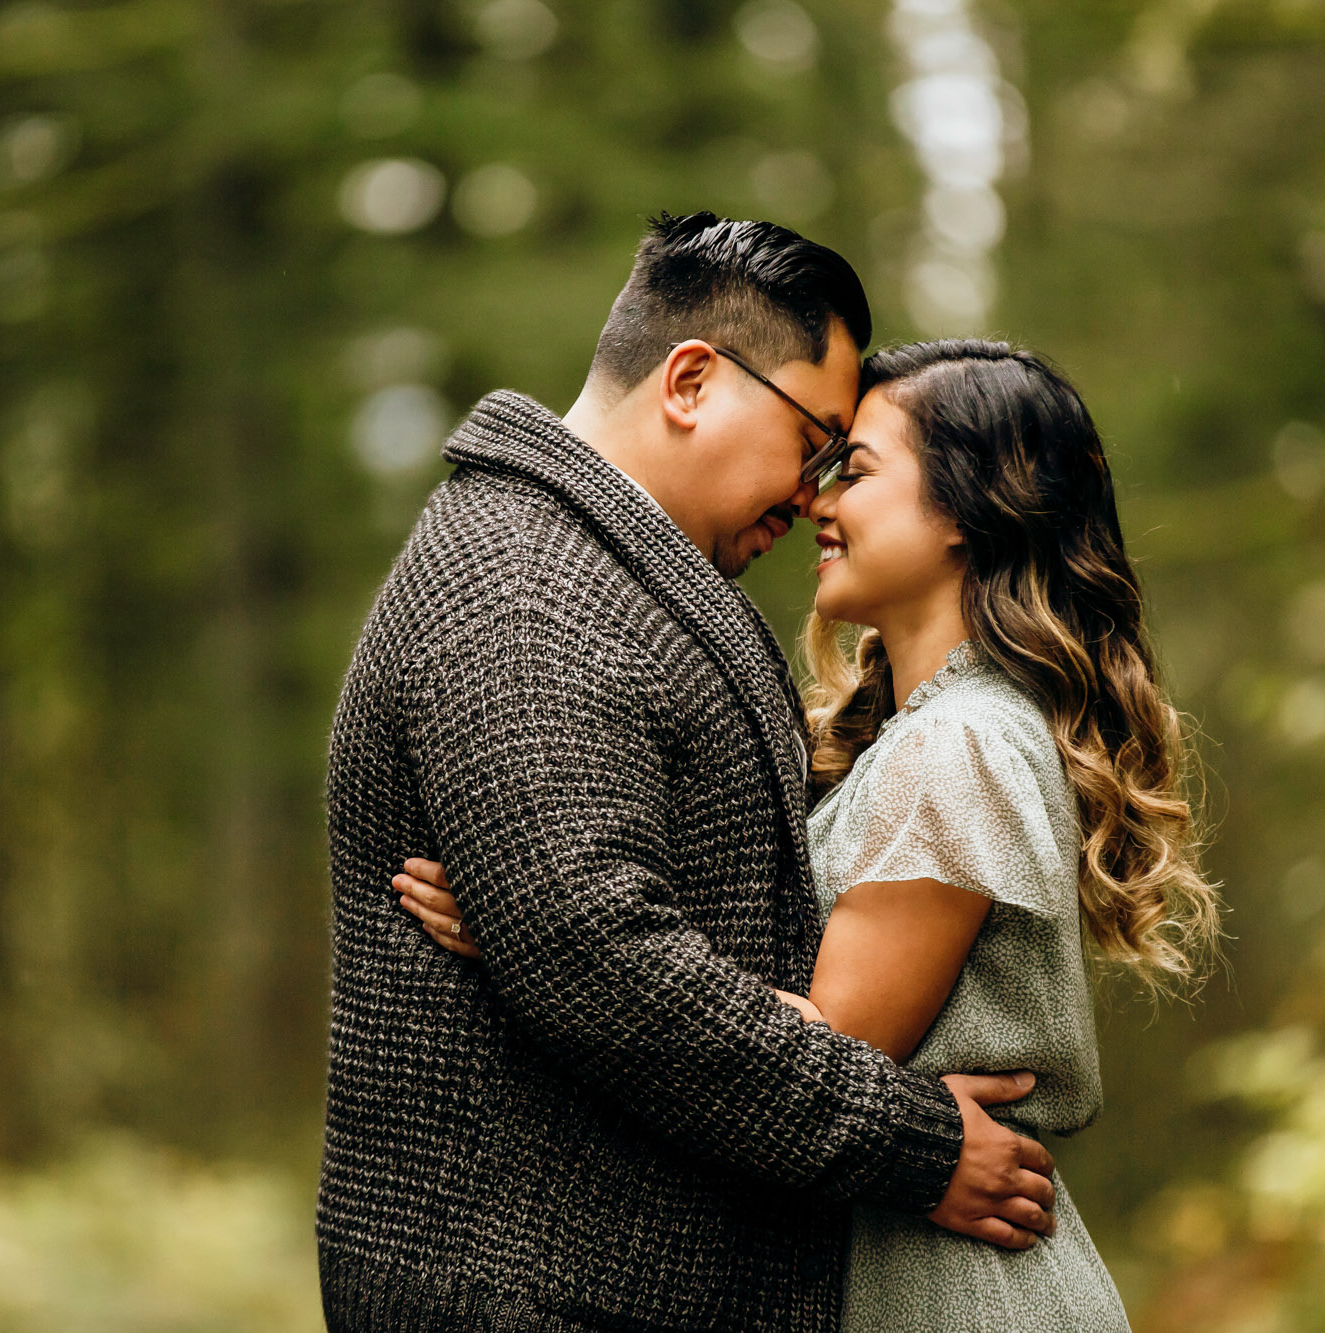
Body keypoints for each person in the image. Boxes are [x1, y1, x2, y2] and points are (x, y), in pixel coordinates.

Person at [319, 213, 1060, 1333]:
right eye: (814, 439)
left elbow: (597, 944)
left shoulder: (597, 575)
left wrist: (532, 929)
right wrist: (910, 1141)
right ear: (690, 381)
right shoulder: (529, 591)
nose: (811, 494)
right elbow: (599, 961)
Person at [397, 339, 1224, 1330]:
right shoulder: (925, 734)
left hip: (954, 1291)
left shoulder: (958, 744)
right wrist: (565, 920)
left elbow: (831, 1050)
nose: (815, 502)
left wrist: (551, 936)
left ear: (969, 508)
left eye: (855, 470)